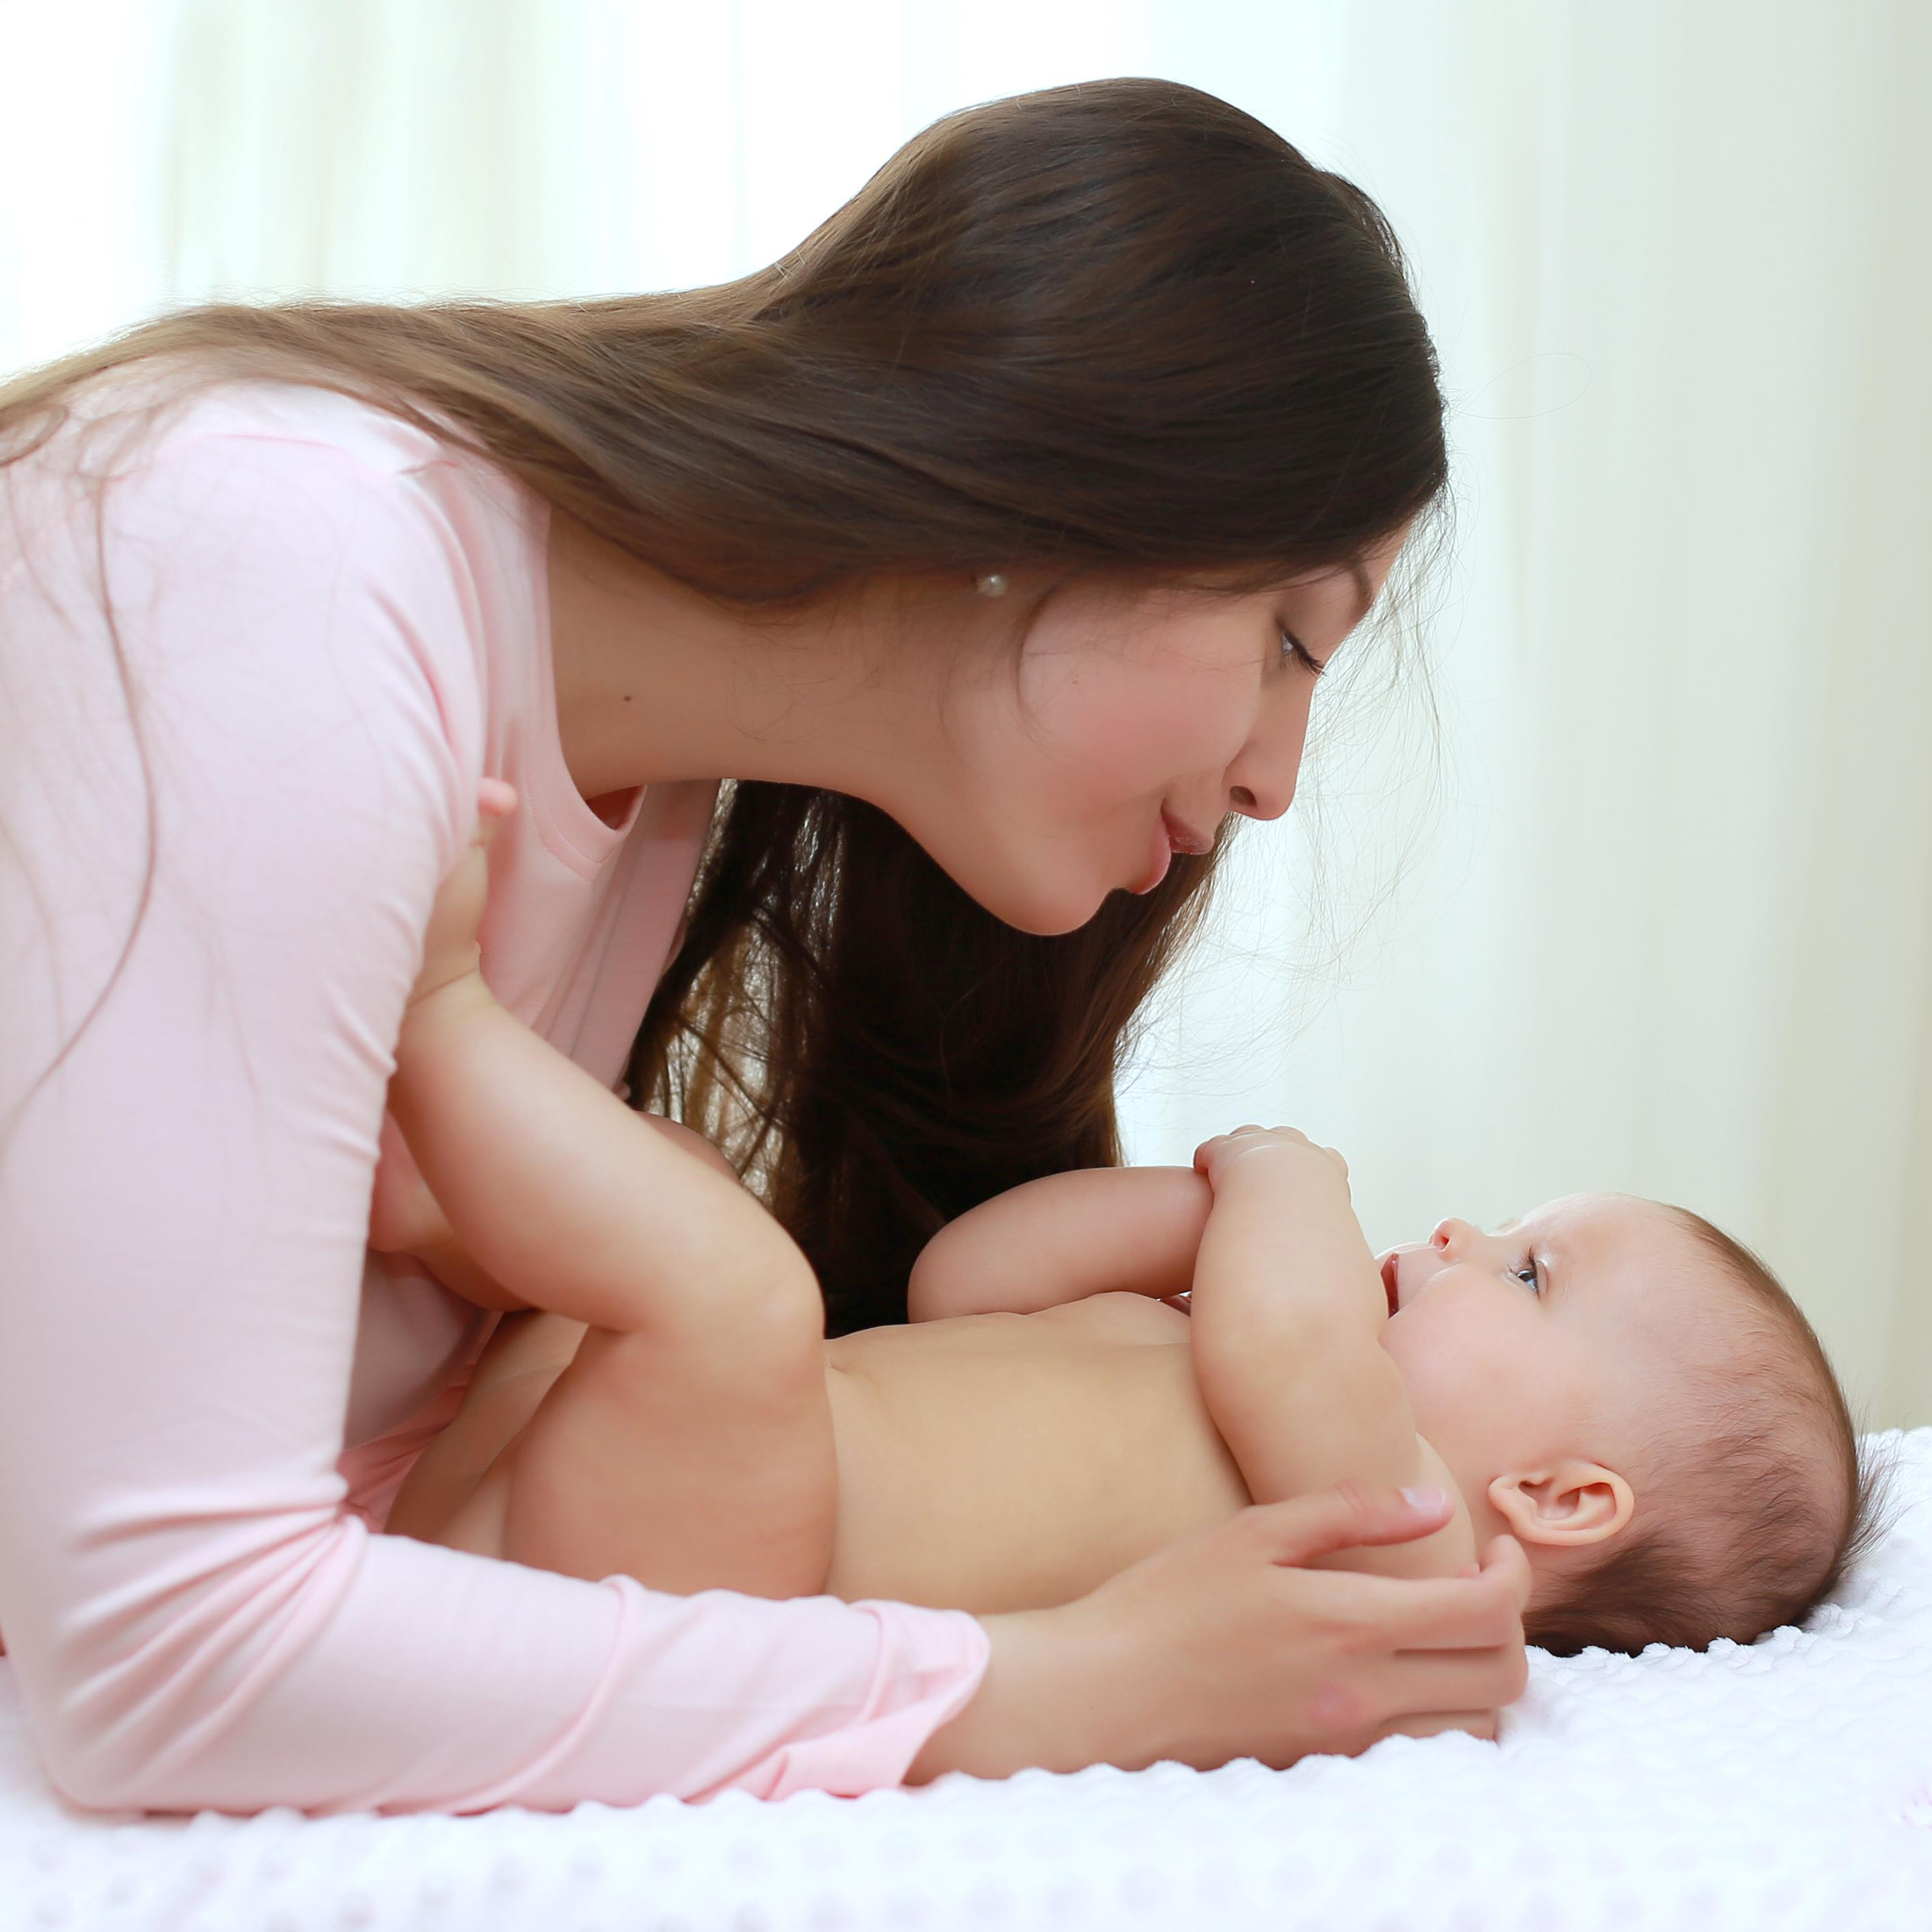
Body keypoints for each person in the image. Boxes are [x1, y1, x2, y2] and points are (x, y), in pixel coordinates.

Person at [0, 78, 1531, 1814]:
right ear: (1061, 479)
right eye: (1290, 638)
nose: (1274, 780)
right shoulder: (276, 561)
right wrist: (1055, 1683)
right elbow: (164, 1654)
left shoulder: (651, 776)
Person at [377, 808, 1873, 1660]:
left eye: (1527, 1270)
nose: (1458, 1231)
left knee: (724, 1287)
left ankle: (433, 1026)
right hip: (584, 1477)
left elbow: (1287, 1337)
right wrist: (1204, 1206)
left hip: (698, 1575)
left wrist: (1284, 1170)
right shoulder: (1241, 1365)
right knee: (679, 1183)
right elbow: (965, 1279)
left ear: (1558, 1496)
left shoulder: (1412, 1555)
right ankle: (423, 1204)